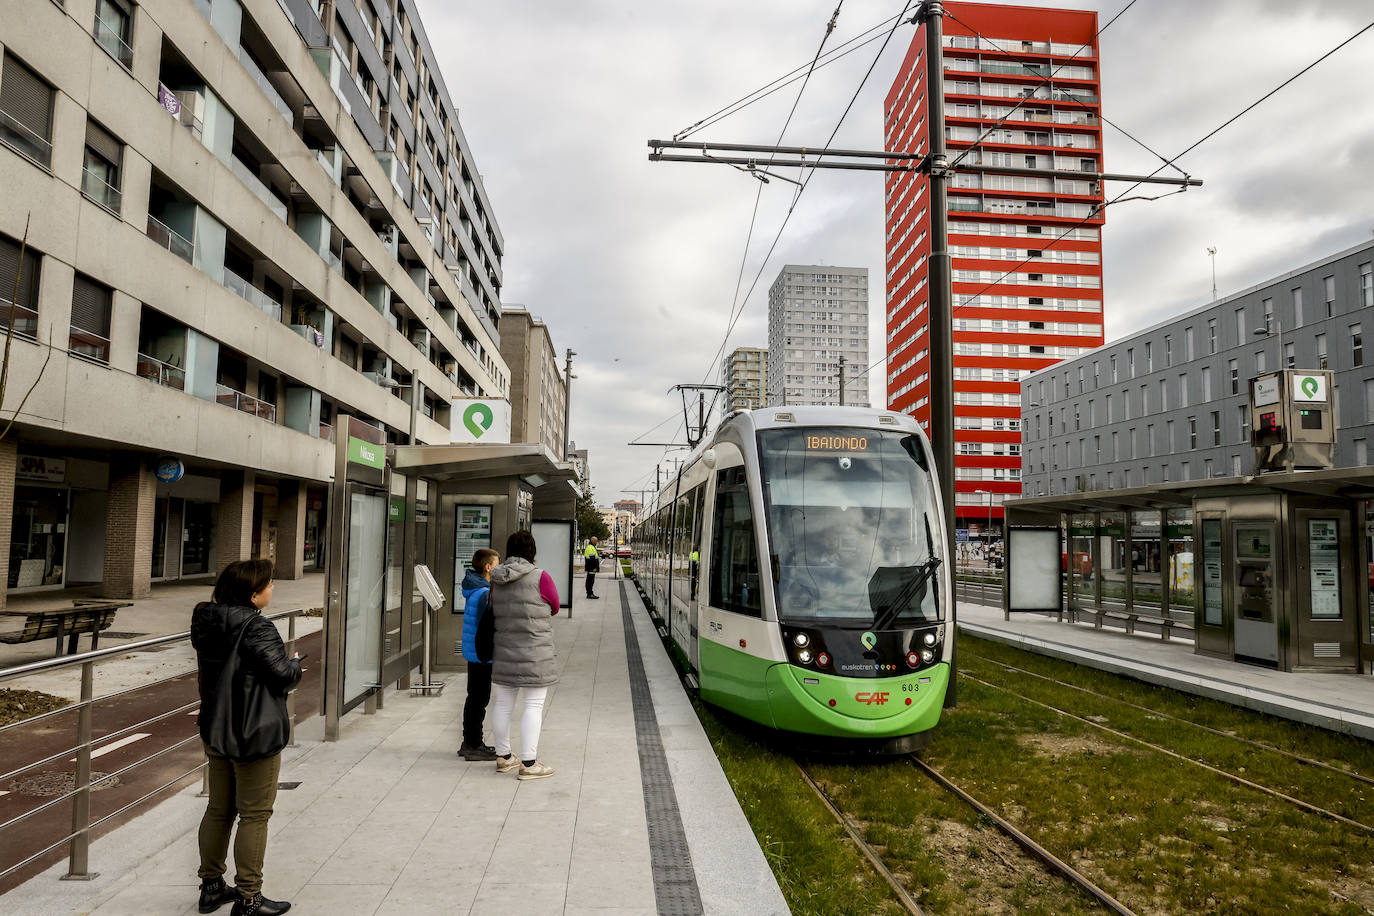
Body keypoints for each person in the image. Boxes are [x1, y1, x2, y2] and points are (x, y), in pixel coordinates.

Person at [191, 559, 301, 916]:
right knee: (255, 814)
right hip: (254, 732)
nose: (273, 589)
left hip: (215, 726)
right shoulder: (258, 627)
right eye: (268, 585)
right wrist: (296, 664)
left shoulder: (206, 620)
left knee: (219, 808)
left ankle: (210, 887)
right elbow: (282, 675)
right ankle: (249, 898)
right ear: (253, 595)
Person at [490, 530, 560, 780]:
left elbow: (493, 608)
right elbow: (554, 606)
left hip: (505, 649)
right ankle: (529, 764)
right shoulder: (541, 577)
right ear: (532, 551)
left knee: (503, 703)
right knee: (533, 704)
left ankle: (504, 757)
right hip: (534, 651)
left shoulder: (496, 578)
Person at [458, 548, 500, 761]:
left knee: (473, 696)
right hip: (481, 651)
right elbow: (487, 626)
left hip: (473, 650)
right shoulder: (484, 592)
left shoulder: (474, 587)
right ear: (488, 567)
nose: (498, 567)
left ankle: (469, 741)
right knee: (479, 698)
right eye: (497, 563)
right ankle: (474, 744)